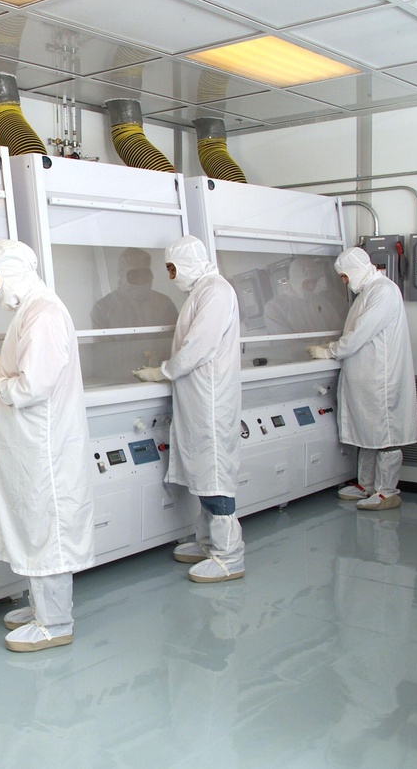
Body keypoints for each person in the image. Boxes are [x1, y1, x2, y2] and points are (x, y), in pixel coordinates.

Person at [0, 239, 95, 652]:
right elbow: (27, 368)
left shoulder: (44, 313)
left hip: (44, 443)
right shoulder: (31, 311)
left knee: (45, 527)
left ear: (13, 273)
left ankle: (55, 622)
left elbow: (34, 385)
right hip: (30, 442)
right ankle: (42, 608)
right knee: (34, 523)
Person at [132, 235, 244, 583]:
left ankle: (229, 556)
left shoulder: (216, 291)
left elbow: (199, 345)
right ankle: (210, 543)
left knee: (214, 472)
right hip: (198, 397)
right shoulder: (202, 291)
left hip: (211, 399)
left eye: (172, 268)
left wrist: (163, 371)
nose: (170, 276)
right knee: (204, 471)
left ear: (188, 263)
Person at [307, 246, 417, 510]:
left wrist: (330, 351)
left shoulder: (384, 291)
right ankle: (366, 485)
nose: (345, 282)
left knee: (386, 435)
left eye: (345, 276)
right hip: (366, 378)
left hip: (381, 378)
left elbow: (360, 334)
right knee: (368, 432)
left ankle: (387, 491)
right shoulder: (367, 293)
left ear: (356, 269)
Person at [90, 248, 179, 329]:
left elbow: (176, 336)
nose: (140, 278)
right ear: (122, 274)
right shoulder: (103, 308)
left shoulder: (164, 304)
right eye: (134, 274)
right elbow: (102, 341)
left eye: (144, 273)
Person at [263, 255, 346, 335]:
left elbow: (337, 328)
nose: (312, 286)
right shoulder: (275, 307)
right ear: (296, 280)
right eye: (307, 282)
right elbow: (284, 340)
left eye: (314, 281)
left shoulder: (322, 302)